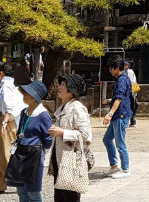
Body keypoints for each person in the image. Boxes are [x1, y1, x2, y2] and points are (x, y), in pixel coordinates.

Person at [48, 74, 92, 202]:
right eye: (60, 84)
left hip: (71, 160)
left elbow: (86, 135)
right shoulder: (63, 107)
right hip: (60, 159)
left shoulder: (78, 108)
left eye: (63, 85)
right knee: (60, 197)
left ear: (71, 91)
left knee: (70, 197)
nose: (59, 87)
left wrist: (62, 132)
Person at [8, 81, 53, 202]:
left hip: (34, 156)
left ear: (33, 97)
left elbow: (48, 138)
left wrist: (44, 153)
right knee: (21, 192)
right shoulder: (24, 112)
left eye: (26, 93)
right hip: (20, 154)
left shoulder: (43, 115)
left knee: (33, 193)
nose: (23, 95)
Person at [0, 62, 26, 193]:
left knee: (5, 153)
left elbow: (10, 106)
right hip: (7, 121)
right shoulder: (12, 83)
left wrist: (5, 122)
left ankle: (21, 179)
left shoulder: (6, 85)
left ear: (1, 73)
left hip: (8, 122)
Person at [102, 55, 132, 179]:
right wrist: (110, 101)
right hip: (118, 115)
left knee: (120, 143)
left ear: (116, 68)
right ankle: (114, 166)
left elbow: (120, 98)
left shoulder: (122, 79)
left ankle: (125, 169)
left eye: (111, 68)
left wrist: (109, 114)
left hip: (120, 115)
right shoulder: (122, 78)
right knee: (107, 139)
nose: (110, 71)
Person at [123, 60, 138, 128]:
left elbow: (131, 81)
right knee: (131, 106)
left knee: (130, 106)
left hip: (129, 91)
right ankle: (131, 121)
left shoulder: (129, 71)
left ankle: (131, 120)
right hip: (129, 91)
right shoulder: (125, 71)